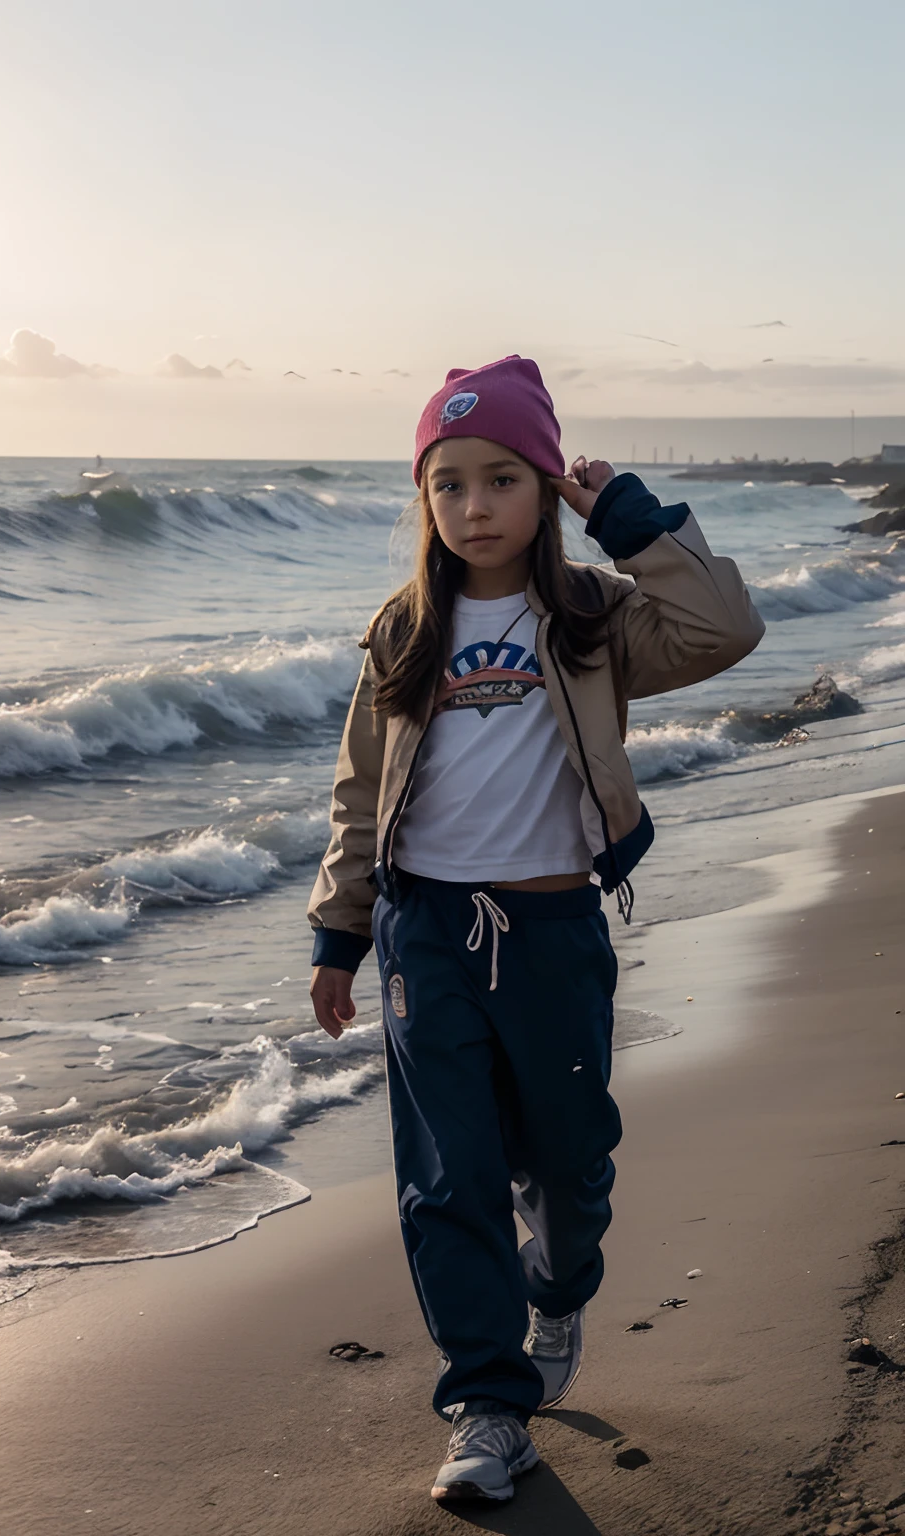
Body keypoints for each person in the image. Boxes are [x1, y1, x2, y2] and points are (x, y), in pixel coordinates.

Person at [307, 356, 764, 1505]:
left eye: (502, 478)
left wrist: (627, 519)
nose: (472, 506)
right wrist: (339, 932)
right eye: (447, 483)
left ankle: (556, 1290)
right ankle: (487, 1405)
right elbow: (360, 792)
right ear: (424, 499)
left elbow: (724, 627)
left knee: (565, 1163)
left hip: (554, 925)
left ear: (544, 483)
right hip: (425, 931)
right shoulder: (404, 630)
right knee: (444, 1177)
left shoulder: (593, 616)